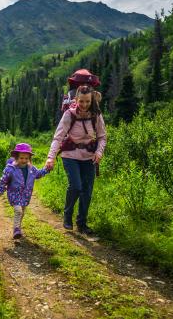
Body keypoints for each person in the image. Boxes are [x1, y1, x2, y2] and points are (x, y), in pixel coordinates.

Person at [45, 70, 107, 235]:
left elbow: (102, 137)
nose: (84, 104)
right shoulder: (69, 114)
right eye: (81, 101)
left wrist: (99, 152)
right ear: (76, 99)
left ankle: (82, 223)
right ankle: (67, 215)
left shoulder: (96, 115)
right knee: (77, 185)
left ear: (92, 99)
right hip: (70, 154)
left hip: (89, 156)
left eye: (87, 101)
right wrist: (50, 158)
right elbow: (58, 138)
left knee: (87, 190)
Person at [0, 143, 50, 239]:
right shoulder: (11, 169)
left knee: (22, 211)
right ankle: (16, 229)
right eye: (21, 158)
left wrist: (46, 169)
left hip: (26, 195)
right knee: (18, 210)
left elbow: (38, 174)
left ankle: (18, 228)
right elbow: (3, 180)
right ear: (16, 157)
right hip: (14, 194)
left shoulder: (31, 169)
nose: (24, 160)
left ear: (29, 158)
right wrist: (0, 190)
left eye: (26, 158)